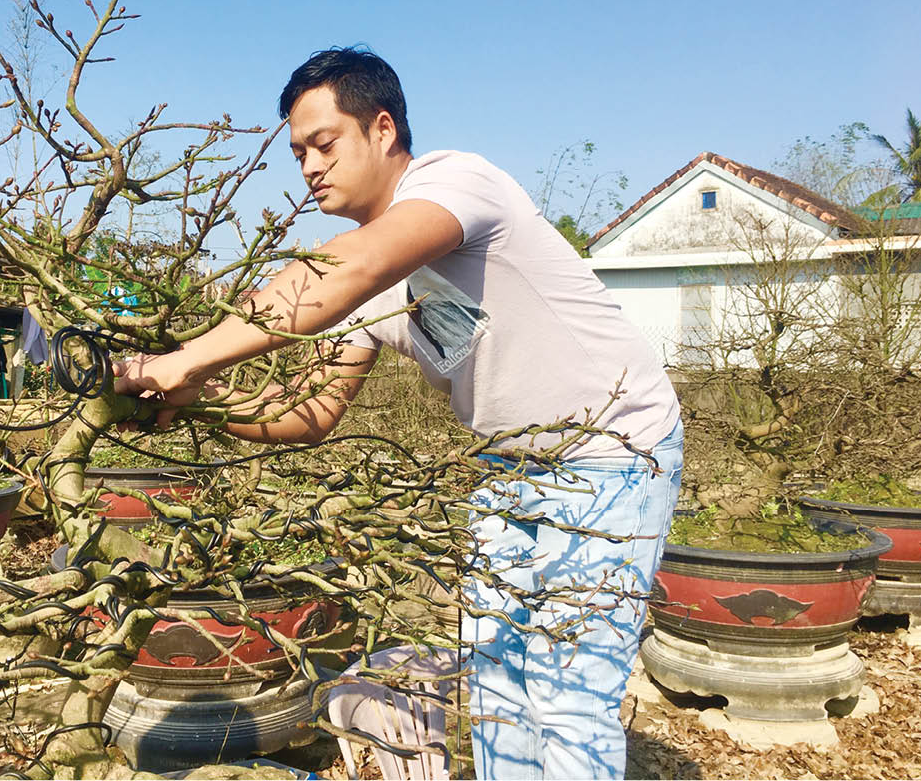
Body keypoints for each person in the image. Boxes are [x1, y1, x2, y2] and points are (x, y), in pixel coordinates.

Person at [112, 47, 682, 779]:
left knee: (567, 697)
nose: (310, 166)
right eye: (297, 154)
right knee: (501, 683)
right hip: (510, 465)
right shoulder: (363, 282)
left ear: (382, 129)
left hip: (615, 450)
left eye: (324, 143)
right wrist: (205, 398)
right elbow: (309, 408)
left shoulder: (455, 183)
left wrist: (183, 355)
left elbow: (351, 266)